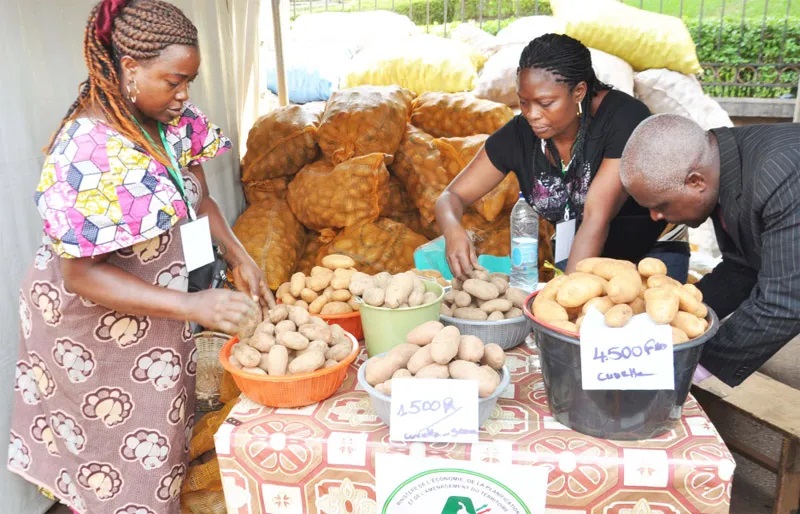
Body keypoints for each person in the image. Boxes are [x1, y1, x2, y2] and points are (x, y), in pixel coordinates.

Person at [6, 1, 272, 512]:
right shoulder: (88, 150)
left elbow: (199, 196)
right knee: (117, 462)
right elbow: (80, 274)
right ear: (129, 68)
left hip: (155, 312)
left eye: (190, 81)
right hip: (89, 332)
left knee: (160, 440)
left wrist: (239, 255)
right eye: (174, 81)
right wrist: (194, 306)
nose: (184, 94)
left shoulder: (169, 121)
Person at [435, 33, 689, 281]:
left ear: (578, 91)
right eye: (524, 102)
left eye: (545, 103)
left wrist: (567, 296)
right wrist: (453, 230)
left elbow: (596, 216)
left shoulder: (623, 118)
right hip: (583, 250)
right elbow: (451, 196)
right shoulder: (520, 135)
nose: (532, 114)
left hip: (651, 253)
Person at [619, 113, 800, 387]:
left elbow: (784, 301)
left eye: (661, 205)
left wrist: (690, 368)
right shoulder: (723, 165)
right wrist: (674, 315)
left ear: (695, 182)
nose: (655, 216)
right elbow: (743, 266)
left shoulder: (781, 175)